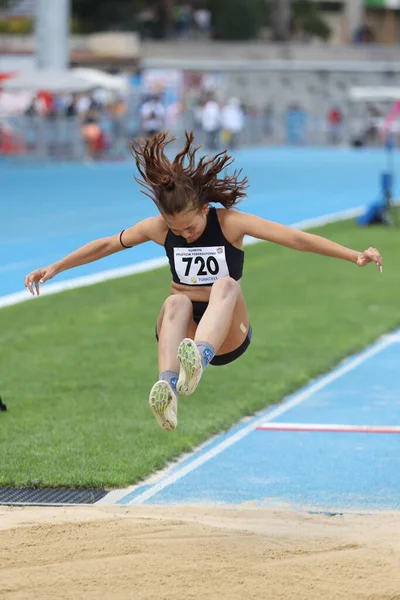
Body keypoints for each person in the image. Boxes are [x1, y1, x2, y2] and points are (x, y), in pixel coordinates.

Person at [24, 131, 383, 433]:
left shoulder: (229, 223)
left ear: (204, 208)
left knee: (226, 285)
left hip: (226, 330)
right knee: (173, 302)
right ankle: (168, 389)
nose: (187, 235)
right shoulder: (159, 228)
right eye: (177, 230)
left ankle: (200, 358)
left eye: (192, 227)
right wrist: (56, 267)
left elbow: (295, 239)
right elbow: (106, 244)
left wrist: (353, 254)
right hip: (184, 325)